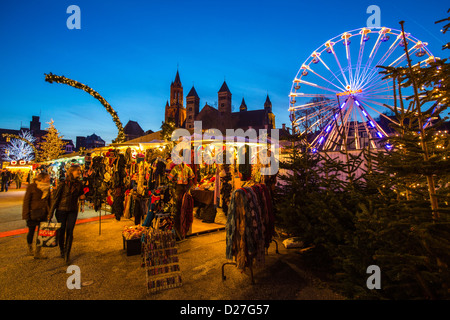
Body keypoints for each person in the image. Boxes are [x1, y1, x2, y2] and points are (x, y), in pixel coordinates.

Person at [48, 164, 85, 264]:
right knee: (62, 230)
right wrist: (50, 214)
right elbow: (55, 199)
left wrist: (83, 197)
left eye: (80, 170)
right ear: (71, 172)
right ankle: (62, 250)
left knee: (70, 231)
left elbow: (81, 194)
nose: (79, 172)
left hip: (72, 210)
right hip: (61, 210)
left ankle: (67, 254)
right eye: (77, 170)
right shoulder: (63, 184)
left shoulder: (80, 184)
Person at [22, 172, 52, 259]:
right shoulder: (32, 186)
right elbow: (26, 201)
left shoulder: (47, 188)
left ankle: (38, 252)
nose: (49, 179)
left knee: (41, 233)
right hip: (33, 213)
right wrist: (26, 214)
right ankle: (30, 248)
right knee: (31, 232)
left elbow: (49, 201)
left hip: (43, 213)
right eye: (47, 178)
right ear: (42, 178)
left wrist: (50, 213)